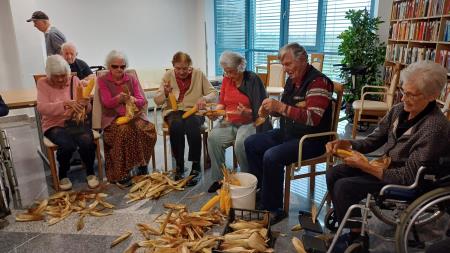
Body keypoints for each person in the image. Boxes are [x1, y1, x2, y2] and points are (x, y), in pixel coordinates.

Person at [325, 61, 450, 253]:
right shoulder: (399, 110)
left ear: (432, 96)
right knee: (335, 173)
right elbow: (373, 140)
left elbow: (408, 177)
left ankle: (355, 237)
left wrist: (365, 166)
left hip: (409, 181)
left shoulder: (435, 127)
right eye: (403, 91)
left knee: (345, 186)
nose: (403, 98)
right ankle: (353, 226)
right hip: (386, 167)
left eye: (411, 94)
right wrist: (347, 144)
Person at [244, 43, 334, 224]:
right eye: (283, 65)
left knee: (272, 156)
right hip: (289, 132)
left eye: (288, 64)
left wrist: (281, 107)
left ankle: (274, 208)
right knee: (251, 142)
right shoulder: (292, 81)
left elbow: (312, 118)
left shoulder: (319, 82)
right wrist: (273, 110)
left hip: (311, 140)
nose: (285, 70)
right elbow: (287, 110)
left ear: (303, 60)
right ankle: (263, 192)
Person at [207, 51, 270, 193]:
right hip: (230, 121)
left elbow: (262, 112)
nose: (228, 76)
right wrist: (215, 113)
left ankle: (249, 180)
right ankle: (220, 179)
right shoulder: (226, 79)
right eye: (226, 72)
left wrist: (247, 112)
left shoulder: (253, 79)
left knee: (241, 143)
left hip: (250, 122)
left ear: (241, 67)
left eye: (231, 72)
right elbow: (222, 102)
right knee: (213, 138)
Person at [154, 52, 217, 186]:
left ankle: (195, 166)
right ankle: (179, 166)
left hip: (194, 110)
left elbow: (213, 93)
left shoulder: (198, 74)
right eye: (178, 68)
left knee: (192, 124)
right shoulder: (168, 76)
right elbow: (157, 100)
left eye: (185, 68)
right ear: (173, 66)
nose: (182, 72)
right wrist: (165, 93)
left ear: (190, 66)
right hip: (174, 110)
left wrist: (204, 98)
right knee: (176, 125)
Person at [36, 55, 99, 190]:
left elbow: (87, 110)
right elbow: (42, 108)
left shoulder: (74, 80)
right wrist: (64, 104)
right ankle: (63, 174)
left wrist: (85, 104)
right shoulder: (43, 83)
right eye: (55, 76)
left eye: (63, 75)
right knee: (67, 145)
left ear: (68, 73)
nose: (60, 79)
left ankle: (90, 172)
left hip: (75, 121)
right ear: (49, 74)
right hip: (54, 124)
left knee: (87, 140)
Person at [97, 50, 157, 186]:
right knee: (126, 131)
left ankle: (142, 163)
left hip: (134, 116)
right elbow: (106, 102)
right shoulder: (103, 80)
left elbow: (143, 101)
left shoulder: (131, 79)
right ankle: (122, 172)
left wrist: (133, 99)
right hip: (113, 119)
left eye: (122, 67)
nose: (119, 69)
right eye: (115, 66)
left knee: (149, 129)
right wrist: (119, 98)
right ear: (108, 66)